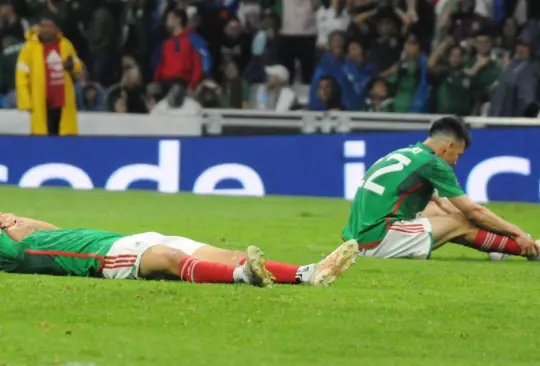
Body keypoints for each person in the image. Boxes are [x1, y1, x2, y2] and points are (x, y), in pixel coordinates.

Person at [342, 116, 539, 259]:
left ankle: (501, 248)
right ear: (447, 147)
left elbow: (443, 204)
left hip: (354, 240)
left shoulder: (408, 153)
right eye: (458, 155)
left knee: (439, 210)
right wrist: (517, 233)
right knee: (460, 223)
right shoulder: (433, 164)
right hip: (376, 240)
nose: (455, 162)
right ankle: (528, 249)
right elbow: (472, 211)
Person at [0, 213, 358, 287]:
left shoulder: (25, 231)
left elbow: (50, 230)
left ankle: (307, 273)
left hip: (124, 236)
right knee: (173, 261)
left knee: (227, 252)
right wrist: (18, 229)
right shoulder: (14, 250)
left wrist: (19, 219)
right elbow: (22, 251)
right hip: (106, 257)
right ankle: (241, 277)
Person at [16, 12, 81, 136]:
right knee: (41, 134)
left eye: (49, 26)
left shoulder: (65, 44)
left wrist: (72, 66)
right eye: (42, 25)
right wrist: (25, 100)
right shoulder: (30, 47)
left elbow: (77, 66)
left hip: (62, 98)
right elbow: (21, 74)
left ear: (57, 28)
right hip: (40, 99)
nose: (45, 29)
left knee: (64, 135)